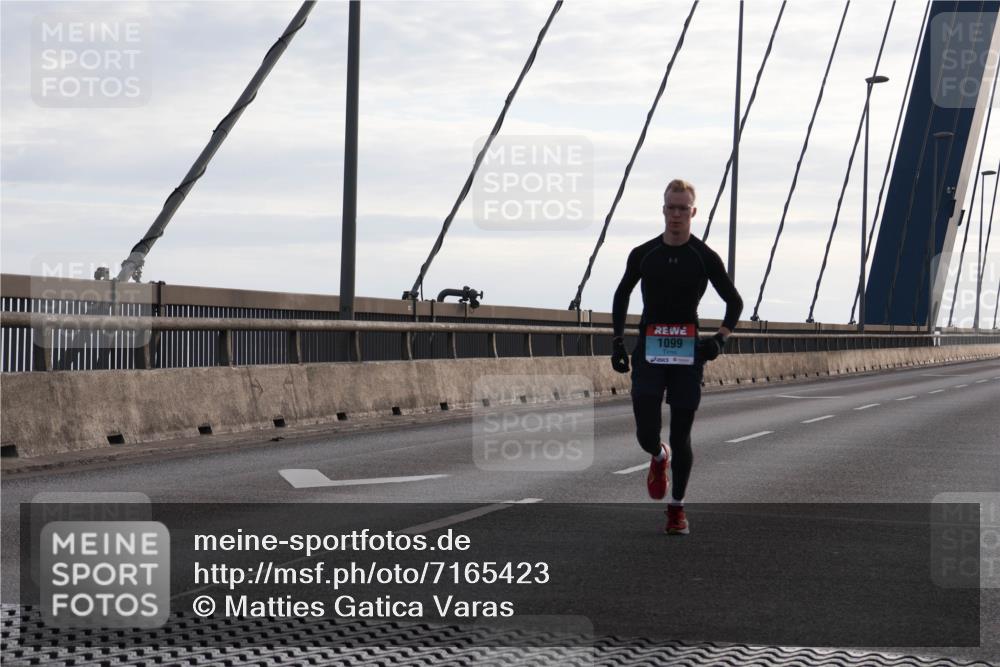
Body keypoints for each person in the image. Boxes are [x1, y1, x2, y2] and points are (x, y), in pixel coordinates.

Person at [611, 178, 743, 535]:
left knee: (682, 434)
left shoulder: (704, 257)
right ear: (663, 209)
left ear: (693, 212)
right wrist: (618, 341)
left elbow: (735, 302)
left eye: (683, 208)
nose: (676, 214)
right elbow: (621, 294)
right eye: (671, 207)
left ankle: (677, 509)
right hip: (650, 353)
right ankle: (658, 455)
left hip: (688, 354)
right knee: (645, 432)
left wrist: (720, 340)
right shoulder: (644, 254)